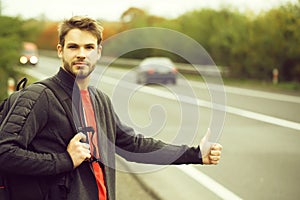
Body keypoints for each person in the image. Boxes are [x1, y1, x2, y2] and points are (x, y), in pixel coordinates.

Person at [0, 16, 222, 200]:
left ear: (98, 52)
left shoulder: (100, 100)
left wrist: (195, 154)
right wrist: (64, 160)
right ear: (60, 50)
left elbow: (134, 145)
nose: (81, 54)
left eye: (89, 47)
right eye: (73, 47)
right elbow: (4, 152)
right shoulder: (40, 96)